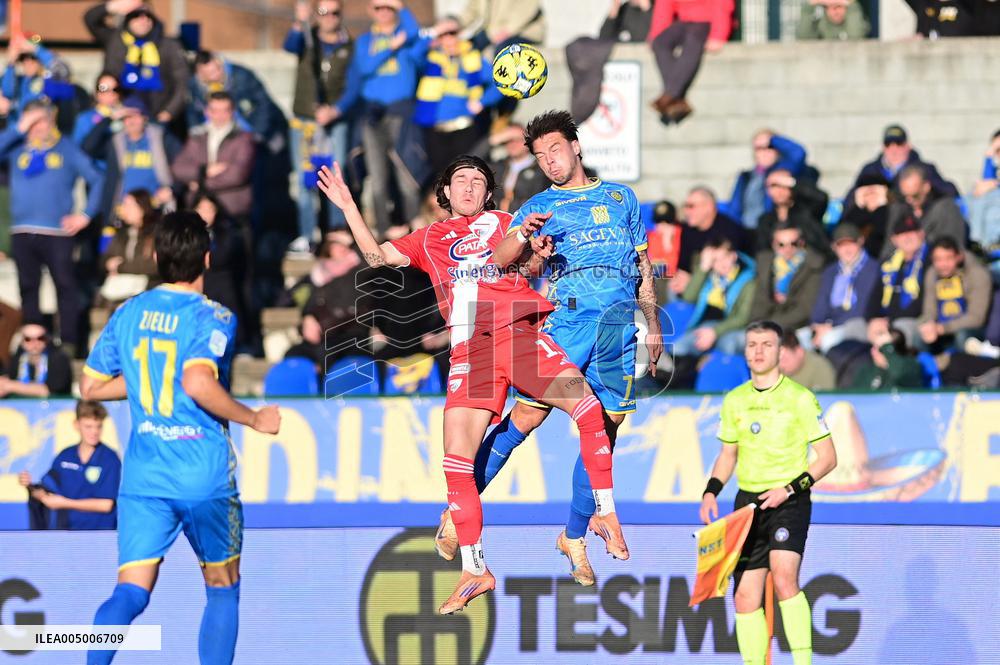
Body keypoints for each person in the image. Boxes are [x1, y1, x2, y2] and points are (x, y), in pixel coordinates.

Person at [317, 153, 626, 614]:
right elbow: (377, 257)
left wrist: (537, 257)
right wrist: (348, 206)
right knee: (456, 464)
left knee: (586, 408)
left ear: (488, 192)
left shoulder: (505, 222)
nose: (468, 187)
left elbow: (527, 269)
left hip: (515, 333)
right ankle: (475, 568)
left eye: (478, 181)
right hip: (469, 349)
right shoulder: (430, 237)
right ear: (445, 191)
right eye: (460, 179)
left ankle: (604, 511)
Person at [442, 111, 662, 586]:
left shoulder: (621, 198)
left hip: (618, 328)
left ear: (576, 147)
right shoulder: (538, 206)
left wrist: (652, 321)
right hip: (567, 322)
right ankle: (458, 507)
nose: (549, 161)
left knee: (606, 428)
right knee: (526, 418)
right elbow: (505, 266)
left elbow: (643, 264)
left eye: (555, 150)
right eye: (540, 156)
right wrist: (528, 244)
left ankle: (574, 537)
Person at [80, 211, 281, 665]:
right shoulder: (213, 316)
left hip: (145, 476)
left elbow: (90, 386)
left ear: (155, 258)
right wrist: (254, 418)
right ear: (207, 259)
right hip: (202, 473)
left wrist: (144, 380)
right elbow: (196, 381)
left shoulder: (128, 312)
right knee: (222, 589)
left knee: (129, 594)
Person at [700, 319, 837, 665]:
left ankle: (803, 662)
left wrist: (789, 489)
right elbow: (728, 454)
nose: (758, 352)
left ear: (780, 352)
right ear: (745, 352)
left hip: (789, 500)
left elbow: (828, 458)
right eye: (752, 345)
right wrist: (711, 491)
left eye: (767, 345)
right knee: (744, 596)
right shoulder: (735, 400)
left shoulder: (800, 398)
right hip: (748, 504)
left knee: (784, 576)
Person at [0, 100, 104, 354]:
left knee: (65, 285)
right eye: (32, 122)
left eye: (41, 121)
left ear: (51, 121)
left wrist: (85, 215)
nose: (37, 128)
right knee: (28, 287)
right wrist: (19, 128)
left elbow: (98, 179)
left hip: (57, 232)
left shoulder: (66, 148)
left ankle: (68, 344)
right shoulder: (16, 147)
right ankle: (34, 341)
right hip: (22, 231)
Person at [284, 0, 358, 251]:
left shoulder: (350, 46)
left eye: (335, 12)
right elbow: (289, 45)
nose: (329, 17)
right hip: (304, 120)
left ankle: (336, 231)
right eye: (324, 12)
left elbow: (354, 86)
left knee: (336, 173)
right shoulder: (307, 39)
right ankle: (308, 234)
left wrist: (335, 110)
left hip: (334, 120)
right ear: (316, 14)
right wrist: (299, 21)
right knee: (305, 177)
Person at [413, 18, 501, 176]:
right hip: (435, 129)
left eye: (452, 33)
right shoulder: (430, 58)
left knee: (465, 173)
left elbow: (500, 84)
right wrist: (433, 32)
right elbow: (413, 54)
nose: (448, 38)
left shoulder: (473, 57)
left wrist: (482, 101)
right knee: (442, 177)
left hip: (464, 128)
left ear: (460, 34)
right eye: (443, 34)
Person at [18, 400, 121, 530]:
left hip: (100, 533)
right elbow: (49, 491)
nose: (94, 432)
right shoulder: (65, 456)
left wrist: (64, 503)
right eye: (88, 426)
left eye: (98, 426)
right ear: (76, 425)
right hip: (67, 533)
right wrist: (30, 487)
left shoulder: (110, 458)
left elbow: (106, 505)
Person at [84, 1, 189, 126]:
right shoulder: (115, 39)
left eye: (148, 16)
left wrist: (170, 111)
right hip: (118, 112)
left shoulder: (168, 45)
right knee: (105, 84)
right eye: (136, 16)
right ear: (127, 18)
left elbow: (182, 81)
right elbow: (90, 19)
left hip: (157, 114)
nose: (142, 20)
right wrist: (113, 7)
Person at [172, 91, 256, 223]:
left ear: (232, 112)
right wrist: (205, 170)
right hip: (198, 208)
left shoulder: (243, 138)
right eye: (215, 111)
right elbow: (178, 168)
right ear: (207, 112)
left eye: (225, 111)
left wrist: (201, 184)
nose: (220, 116)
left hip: (230, 208)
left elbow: (237, 174)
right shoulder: (197, 136)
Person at [648, 0, 733, 124]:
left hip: (708, 20)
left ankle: (669, 95)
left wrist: (718, 35)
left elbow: (722, 4)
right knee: (660, 43)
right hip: (684, 21)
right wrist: (656, 34)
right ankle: (675, 98)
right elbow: (664, 6)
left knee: (693, 42)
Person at [672, 236, 756, 358]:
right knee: (679, 348)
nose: (721, 264)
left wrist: (714, 332)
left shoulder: (748, 281)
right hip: (704, 324)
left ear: (733, 256)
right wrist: (703, 268)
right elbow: (688, 298)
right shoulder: (709, 276)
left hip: (728, 326)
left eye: (725, 258)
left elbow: (743, 317)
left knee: (728, 346)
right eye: (715, 260)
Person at [808, 223, 880, 353]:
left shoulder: (872, 269)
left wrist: (831, 327)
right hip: (828, 325)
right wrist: (817, 326)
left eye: (851, 243)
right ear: (834, 247)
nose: (846, 250)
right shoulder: (830, 271)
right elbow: (821, 302)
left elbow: (863, 308)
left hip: (856, 324)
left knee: (828, 340)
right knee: (797, 340)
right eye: (841, 245)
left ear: (860, 241)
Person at [749, 223, 826, 339]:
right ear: (774, 245)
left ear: (801, 243)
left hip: (797, 328)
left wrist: (770, 326)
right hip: (766, 325)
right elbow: (759, 301)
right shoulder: (766, 265)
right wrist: (757, 325)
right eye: (781, 244)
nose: (787, 249)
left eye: (793, 243)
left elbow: (805, 309)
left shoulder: (813, 266)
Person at [917, 236, 992, 353]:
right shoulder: (932, 273)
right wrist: (929, 324)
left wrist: (944, 328)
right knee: (919, 333)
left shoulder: (977, 274)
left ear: (959, 257)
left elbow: (977, 318)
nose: (943, 264)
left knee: (962, 336)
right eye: (938, 259)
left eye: (948, 258)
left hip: (972, 329)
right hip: (940, 327)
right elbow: (929, 310)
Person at [723, 130, 809, 231]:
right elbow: (734, 209)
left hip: (772, 230)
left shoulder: (783, 170)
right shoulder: (746, 177)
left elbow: (799, 152)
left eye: (769, 147)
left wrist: (773, 139)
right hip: (747, 231)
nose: (764, 152)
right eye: (759, 148)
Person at [865, 215, 929, 347]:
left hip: (917, 321)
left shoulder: (931, 259)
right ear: (894, 239)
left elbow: (924, 302)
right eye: (902, 233)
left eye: (911, 232)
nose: (907, 237)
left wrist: (890, 321)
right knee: (857, 328)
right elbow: (875, 296)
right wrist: (873, 319)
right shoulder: (889, 264)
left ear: (921, 234)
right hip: (887, 320)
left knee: (896, 332)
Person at [849, 124, 958, 201]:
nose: (894, 150)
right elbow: (849, 200)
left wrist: (921, 187)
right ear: (883, 148)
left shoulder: (924, 169)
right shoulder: (869, 171)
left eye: (899, 144)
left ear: (908, 146)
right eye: (888, 144)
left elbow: (950, 192)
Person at [97, 189, 161, 307]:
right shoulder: (121, 233)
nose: (124, 209)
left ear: (142, 208)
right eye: (123, 204)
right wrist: (108, 263)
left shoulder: (156, 234)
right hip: (121, 291)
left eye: (129, 205)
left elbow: (153, 265)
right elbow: (105, 258)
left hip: (147, 292)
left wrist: (120, 267)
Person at [885, 164, 967, 257]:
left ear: (926, 187)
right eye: (905, 196)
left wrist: (919, 245)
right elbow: (887, 248)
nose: (909, 200)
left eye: (915, 196)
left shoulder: (946, 209)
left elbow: (952, 250)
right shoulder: (899, 207)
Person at [0, 323, 72, 397]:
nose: (35, 343)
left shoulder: (59, 359)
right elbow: (4, 380)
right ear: (21, 342)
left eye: (40, 338)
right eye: (28, 339)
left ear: (47, 339)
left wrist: (10, 386)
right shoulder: (17, 359)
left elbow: (48, 391)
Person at [850, 326, 923, 390]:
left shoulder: (910, 365)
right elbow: (857, 395)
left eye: (881, 349)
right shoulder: (866, 370)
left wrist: (888, 350)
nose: (873, 351)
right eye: (874, 346)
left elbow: (899, 374)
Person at [795, 0, 869, 40]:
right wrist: (812, 4)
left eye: (838, 6)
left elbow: (856, 37)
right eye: (828, 7)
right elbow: (803, 37)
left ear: (847, 7)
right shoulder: (820, 25)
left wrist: (852, 5)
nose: (835, 12)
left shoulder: (857, 22)